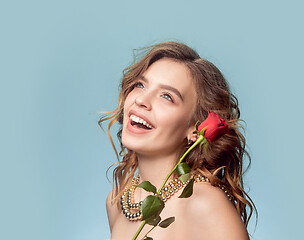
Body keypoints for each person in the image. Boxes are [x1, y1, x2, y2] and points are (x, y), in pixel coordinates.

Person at [100, 41, 256, 240]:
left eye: (166, 96)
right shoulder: (116, 203)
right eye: (140, 85)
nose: (140, 100)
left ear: (195, 129)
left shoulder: (205, 203)